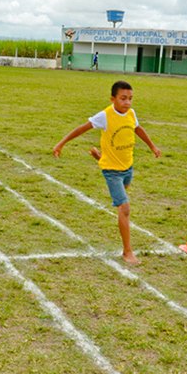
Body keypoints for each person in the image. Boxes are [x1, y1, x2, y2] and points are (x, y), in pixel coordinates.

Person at [52, 80, 161, 265]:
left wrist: (152, 146)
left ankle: (101, 158)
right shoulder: (105, 115)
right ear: (113, 99)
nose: (127, 103)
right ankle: (127, 252)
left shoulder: (131, 113)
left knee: (123, 199)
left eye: (130, 99)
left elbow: (137, 129)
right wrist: (61, 143)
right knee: (124, 208)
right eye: (123, 98)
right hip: (112, 171)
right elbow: (81, 128)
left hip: (128, 167)